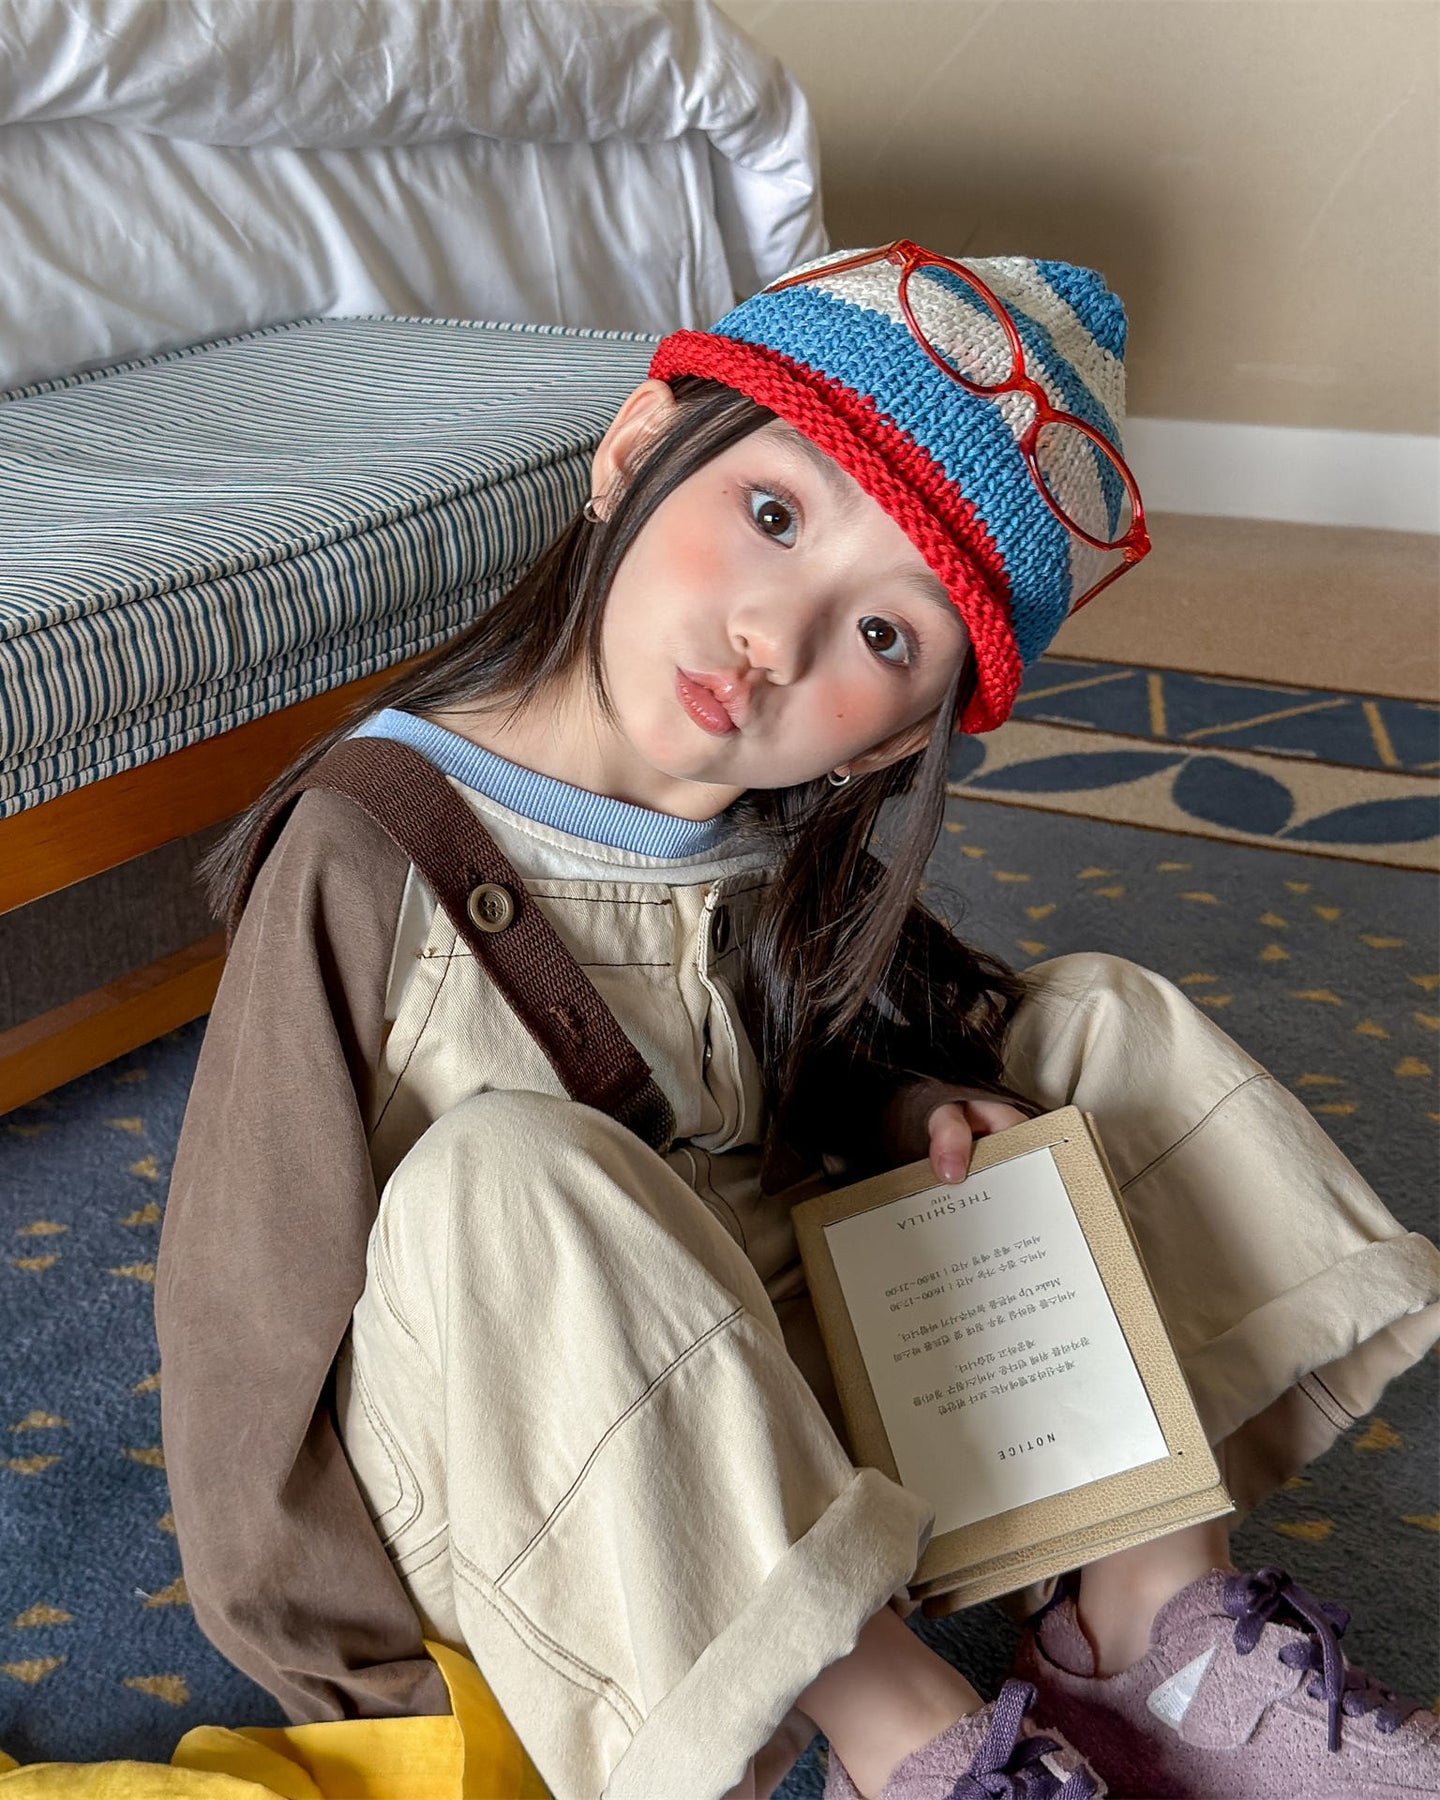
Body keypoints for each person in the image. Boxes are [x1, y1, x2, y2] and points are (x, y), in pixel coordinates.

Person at [155, 243, 1440, 1800]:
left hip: (780, 1423)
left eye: (886, 636)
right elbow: (241, 1314)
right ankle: (915, 1747)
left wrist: (913, 1115)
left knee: (1101, 1028)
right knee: (506, 1169)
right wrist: (359, 1685)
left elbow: (813, 1066)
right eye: (772, 515)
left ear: (888, 746)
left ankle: (1148, 1634)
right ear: (634, 451)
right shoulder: (365, 846)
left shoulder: (767, 838)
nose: (777, 634)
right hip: (540, 1491)